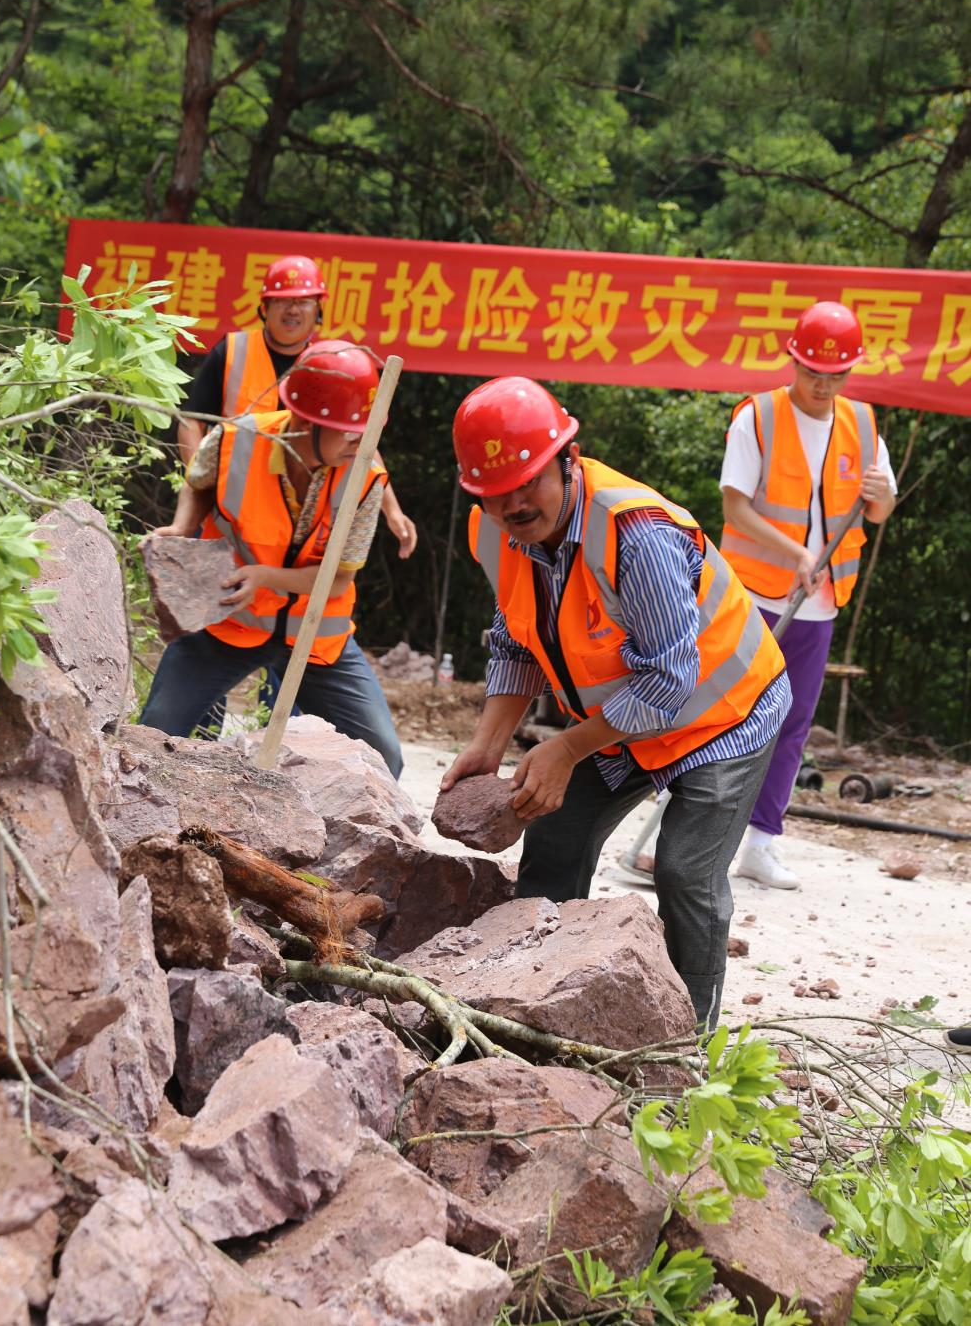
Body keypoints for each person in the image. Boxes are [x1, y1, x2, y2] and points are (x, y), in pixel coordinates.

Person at [440, 376, 791, 1031]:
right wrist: (489, 746)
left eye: (529, 480)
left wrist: (568, 747)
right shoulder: (495, 532)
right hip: (627, 720)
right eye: (495, 492)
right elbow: (517, 640)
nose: (514, 503)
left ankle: (684, 1044)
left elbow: (670, 679)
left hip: (723, 714)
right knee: (555, 835)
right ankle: (531, 1010)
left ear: (568, 461)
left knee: (686, 872)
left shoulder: (635, 534)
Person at [140, 340, 403, 778]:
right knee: (154, 735)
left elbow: (335, 582)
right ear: (304, 420)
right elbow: (198, 483)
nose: (360, 441)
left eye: (365, 429)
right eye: (346, 429)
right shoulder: (233, 440)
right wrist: (182, 527)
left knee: (383, 757)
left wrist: (262, 576)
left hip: (316, 637)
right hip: (227, 622)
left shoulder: (366, 478)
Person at [720, 301, 896, 891]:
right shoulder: (758, 418)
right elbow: (735, 506)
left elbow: (881, 510)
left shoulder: (864, 426)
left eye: (836, 375)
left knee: (791, 724)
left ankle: (761, 845)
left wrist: (880, 493)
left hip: (818, 604)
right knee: (724, 712)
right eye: (813, 372)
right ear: (793, 361)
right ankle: (680, 827)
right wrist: (794, 553)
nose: (823, 385)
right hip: (752, 595)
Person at [179, 254, 417, 557]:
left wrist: (392, 510)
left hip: (301, 509)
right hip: (233, 506)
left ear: (318, 308)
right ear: (264, 307)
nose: (293, 309)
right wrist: (200, 477)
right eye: (282, 300)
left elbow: (357, 438)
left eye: (304, 301)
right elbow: (190, 423)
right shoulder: (232, 351)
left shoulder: (330, 365)